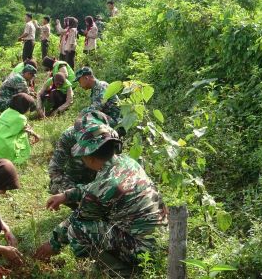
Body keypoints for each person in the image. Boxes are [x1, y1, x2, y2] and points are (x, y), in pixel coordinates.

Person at [34, 114, 167, 275]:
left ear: (89, 158)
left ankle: (120, 272)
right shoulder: (127, 162)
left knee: (77, 230)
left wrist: (53, 244)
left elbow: (78, 218)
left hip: (144, 251)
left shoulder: (101, 187)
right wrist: (67, 195)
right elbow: (95, 187)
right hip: (162, 241)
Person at [47, 111, 111, 203]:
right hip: (76, 177)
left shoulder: (109, 136)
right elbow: (55, 168)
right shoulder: (69, 136)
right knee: (56, 186)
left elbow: (114, 167)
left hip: (101, 177)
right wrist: (72, 192)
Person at [0, 94, 40, 164]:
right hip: (4, 153)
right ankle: (21, 156)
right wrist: (36, 136)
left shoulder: (6, 112)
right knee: (23, 134)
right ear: (25, 107)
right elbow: (28, 129)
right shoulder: (21, 118)